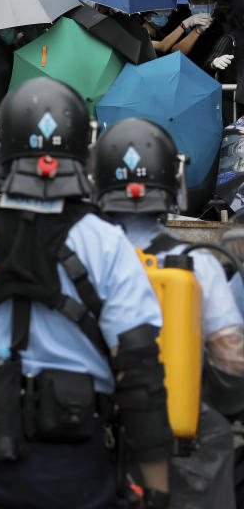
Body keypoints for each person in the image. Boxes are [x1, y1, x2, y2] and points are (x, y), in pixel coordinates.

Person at [0, 78, 171, 508]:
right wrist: (157, 489)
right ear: (85, 146)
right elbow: (139, 370)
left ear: (0, 145)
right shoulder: (107, 242)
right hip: (76, 466)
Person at [92, 117, 243, 507]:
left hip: (88, 437)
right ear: (172, 180)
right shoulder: (197, 263)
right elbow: (231, 366)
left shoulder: (79, 257)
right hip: (177, 442)